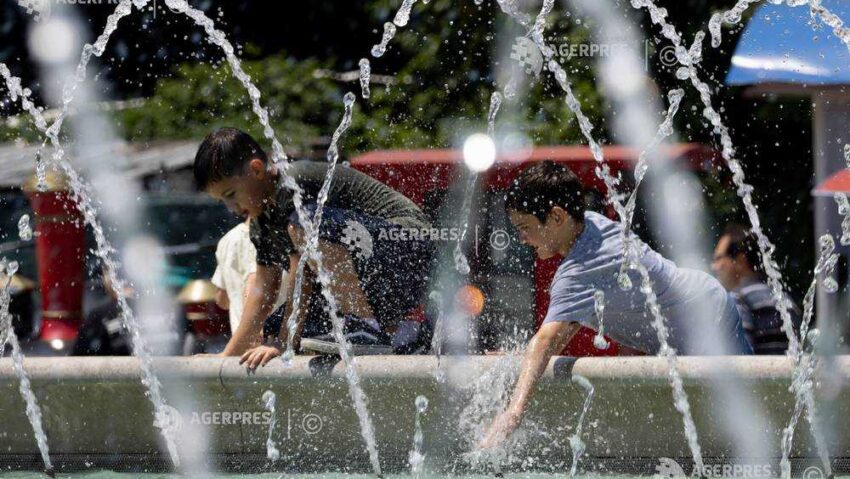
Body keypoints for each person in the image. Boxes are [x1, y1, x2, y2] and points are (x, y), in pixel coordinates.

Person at [479, 161, 751, 449]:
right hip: (702, 304)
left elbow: (547, 339)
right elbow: (559, 335)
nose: (521, 238)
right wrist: (525, 357)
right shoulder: (591, 223)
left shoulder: (578, 270)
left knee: (741, 421)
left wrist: (513, 412)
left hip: (708, 321)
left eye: (525, 227)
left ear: (557, 217)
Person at [192, 127, 434, 365]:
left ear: (256, 170)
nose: (230, 207)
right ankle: (404, 338)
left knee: (303, 225)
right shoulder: (261, 222)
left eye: (231, 194)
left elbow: (303, 273)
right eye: (222, 201)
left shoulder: (293, 183)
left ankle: (365, 327)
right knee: (274, 326)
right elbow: (263, 290)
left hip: (408, 245)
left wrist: (286, 343)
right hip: (382, 272)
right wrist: (229, 355)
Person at [711, 223, 800, 355]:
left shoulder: (737, 299)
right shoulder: (785, 300)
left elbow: (739, 361)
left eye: (718, 258)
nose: (714, 267)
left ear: (740, 261)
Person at [210, 219, 287, 338]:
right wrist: (255, 332)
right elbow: (254, 285)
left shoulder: (227, 239)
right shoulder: (271, 237)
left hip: (239, 342)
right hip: (264, 344)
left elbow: (221, 298)